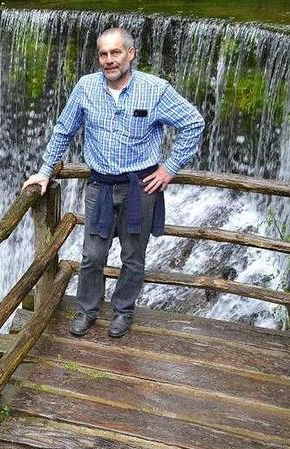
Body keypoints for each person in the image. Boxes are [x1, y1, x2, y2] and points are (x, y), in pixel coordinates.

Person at [21, 27, 204, 338]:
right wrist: (45, 170)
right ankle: (87, 310)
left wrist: (170, 168)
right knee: (92, 254)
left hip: (140, 188)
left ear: (130, 54)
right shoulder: (86, 87)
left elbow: (193, 123)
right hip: (100, 186)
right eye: (103, 54)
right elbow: (64, 129)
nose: (109, 60)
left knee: (133, 256)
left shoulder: (155, 89)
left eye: (115, 53)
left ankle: (123, 312)